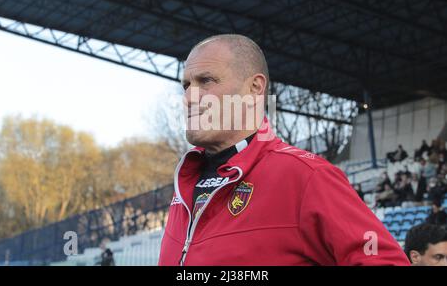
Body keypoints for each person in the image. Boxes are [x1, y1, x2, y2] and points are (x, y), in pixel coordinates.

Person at [158, 34, 409, 266]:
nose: (189, 98)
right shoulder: (185, 185)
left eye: (206, 81)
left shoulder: (307, 176)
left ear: (255, 88)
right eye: (186, 86)